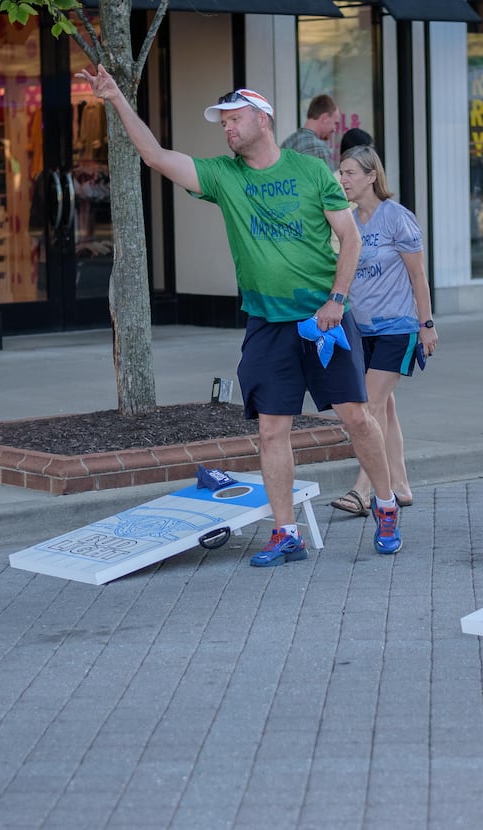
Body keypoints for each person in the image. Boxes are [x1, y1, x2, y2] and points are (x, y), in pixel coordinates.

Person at [72, 68, 402, 566]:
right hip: (267, 324)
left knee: (355, 417)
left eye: (233, 119)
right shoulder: (224, 177)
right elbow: (156, 157)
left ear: (262, 120)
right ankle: (285, 531)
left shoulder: (311, 171)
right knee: (271, 429)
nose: (226, 129)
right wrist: (117, 99)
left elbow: (350, 239)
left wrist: (337, 298)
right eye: (222, 122)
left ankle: (386, 503)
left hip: (324, 318)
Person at [326, 146, 438, 554]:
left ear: (372, 176)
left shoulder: (398, 217)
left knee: (369, 408)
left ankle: (365, 490)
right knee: (385, 410)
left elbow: (418, 277)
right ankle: (400, 485)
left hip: (398, 328)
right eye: (341, 172)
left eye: (351, 172)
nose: (343, 179)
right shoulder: (349, 222)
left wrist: (426, 325)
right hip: (362, 330)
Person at [280, 93, 339, 170]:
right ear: (325, 118)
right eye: (335, 123)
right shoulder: (318, 148)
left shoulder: (287, 143)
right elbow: (328, 181)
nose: (334, 129)